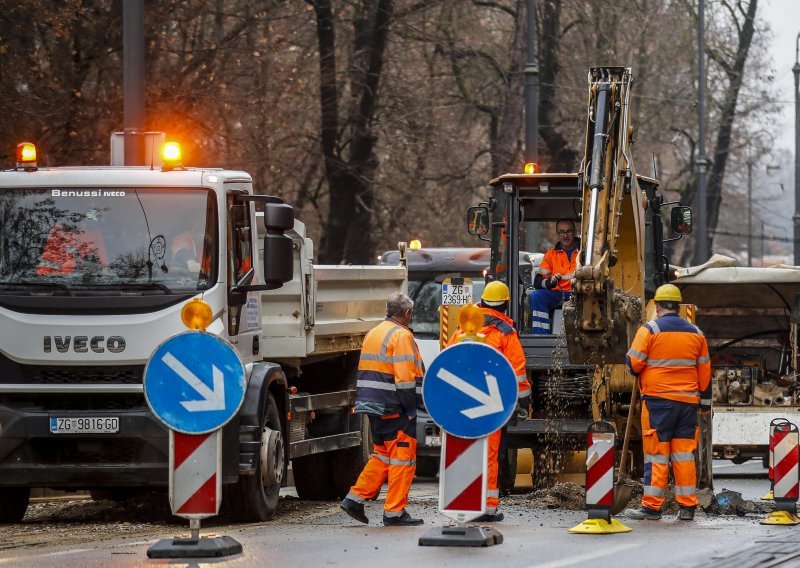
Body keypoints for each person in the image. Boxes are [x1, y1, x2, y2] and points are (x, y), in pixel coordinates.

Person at [624, 284, 711, 521]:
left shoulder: (649, 330)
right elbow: (705, 373)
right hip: (687, 404)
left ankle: (652, 507)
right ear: (679, 307)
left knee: (657, 455)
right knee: (684, 455)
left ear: (658, 306)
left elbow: (634, 365)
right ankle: (687, 507)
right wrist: (704, 402)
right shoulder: (696, 333)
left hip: (658, 403)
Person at [445, 280, 531, 522]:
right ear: (506, 305)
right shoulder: (505, 332)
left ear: (481, 301)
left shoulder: (463, 329)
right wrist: (523, 403)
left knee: (466, 452)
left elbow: (449, 361)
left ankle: (464, 502)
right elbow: (518, 372)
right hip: (492, 405)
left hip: (462, 403)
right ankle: (487, 507)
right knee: (490, 454)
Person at [340, 292, 426, 527]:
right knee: (402, 458)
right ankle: (394, 512)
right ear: (407, 313)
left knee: (382, 455)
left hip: (372, 405)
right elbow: (405, 379)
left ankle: (354, 499)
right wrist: (411, 409)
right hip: (394, 406)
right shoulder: (401, 335)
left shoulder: (374, 332)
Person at [529, 219, 580, 334]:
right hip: (558, 294)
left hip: (580, 293)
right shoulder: (551, 254)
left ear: (575, 233)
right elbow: (537, 281)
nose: (565, 235)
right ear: (557, 234)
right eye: (562, 232)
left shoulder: (584, 252)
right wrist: (550, 282)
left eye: (569, 232)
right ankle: (540, 337)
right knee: (536, 296)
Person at [38, 209, 109, 275]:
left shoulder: (94, 232)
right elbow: (46, 269)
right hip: (63, 281)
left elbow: (104, 265)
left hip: (91, 281)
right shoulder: (58, 231)